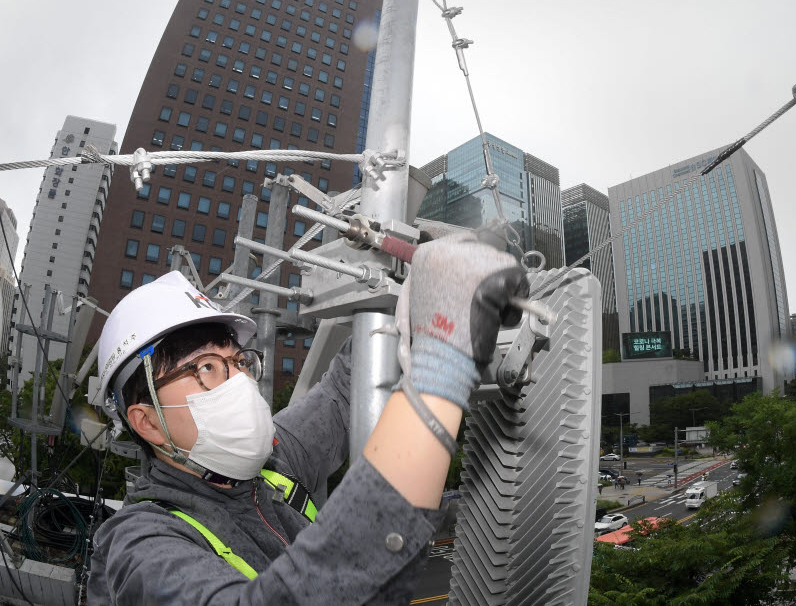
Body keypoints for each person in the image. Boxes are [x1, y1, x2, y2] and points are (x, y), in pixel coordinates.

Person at [87, 235, 527, 604]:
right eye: (206, 368)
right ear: (146, 422)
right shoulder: (137, 545)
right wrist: (443, 361)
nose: (239, 382)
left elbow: (344, 392)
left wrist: (427, 293)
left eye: (238, 362)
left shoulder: (274, 465)